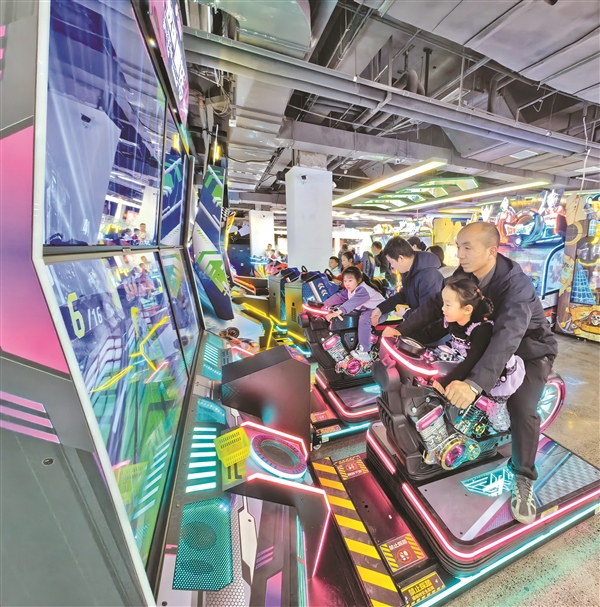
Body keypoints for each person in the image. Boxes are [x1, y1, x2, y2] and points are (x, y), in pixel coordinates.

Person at [383, 222, 557, 525]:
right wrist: (401, 330)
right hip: (483, 341)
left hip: (528, 351)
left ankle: (523, 476)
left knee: (523, 409)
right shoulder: (466, 274)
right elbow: (436, 305)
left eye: (467, 247)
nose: (460, 253)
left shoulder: (516, 286)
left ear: (491, 251)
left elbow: (509, 335)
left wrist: (475, 383)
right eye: (458, 246)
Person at [412, 275, 524, 432]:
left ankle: (499, 415)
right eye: (443, 303)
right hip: (463, 360)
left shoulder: (482, 329)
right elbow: (430, 333)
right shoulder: (452, 321)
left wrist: (445, 381)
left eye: (448, 305)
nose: (442, 308)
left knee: (494, 406)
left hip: (488, 369)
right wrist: (407, 339)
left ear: (467, 309)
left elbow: (472, 361)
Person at [371, 237, 444, 323]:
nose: (392, 266)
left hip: (432, 328)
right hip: (418, 326)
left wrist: (406, 313)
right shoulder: (410, 271)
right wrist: (381, 309)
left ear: (401, 258)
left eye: (391, 262)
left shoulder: (429, 276)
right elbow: (403, 295)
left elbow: (429, 313)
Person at [323, 266, 386, 362]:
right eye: (345, 281)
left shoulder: (363, 290)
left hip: (380, 311)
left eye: (350, 280)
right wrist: (324, 304)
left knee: (364, 319)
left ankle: (364, 351)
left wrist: (338, 312)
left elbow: (352, 303)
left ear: (359, 280)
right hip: (368, 309)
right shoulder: (350, 290)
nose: (347, 283)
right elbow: (340, 297)